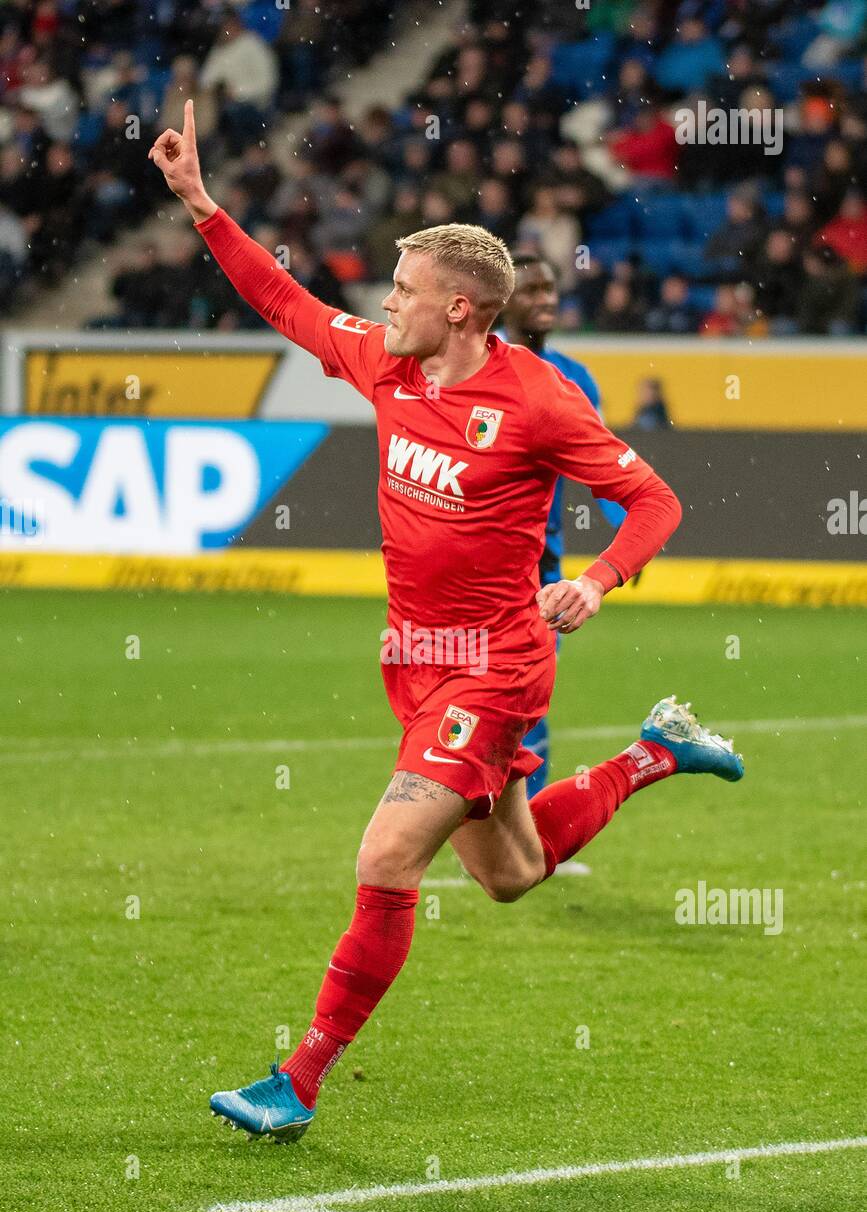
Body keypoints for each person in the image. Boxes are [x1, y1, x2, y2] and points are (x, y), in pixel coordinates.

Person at [149, 103, 744, 1143]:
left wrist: (599, 580)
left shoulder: (542, 401)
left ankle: (299, 1078)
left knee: (385, 858)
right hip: (414, 661)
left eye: (405, 291)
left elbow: (656, 501)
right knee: (509, 875)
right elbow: (284, 302)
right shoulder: (389, 361)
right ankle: (655, 754)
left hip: (494, 669)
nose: (386, 304)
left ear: (461, 308)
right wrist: (203, 206)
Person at [499, 253, 625, 799]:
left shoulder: (574, 379)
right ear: (502, 302)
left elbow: (607, 466)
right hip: (481, 568)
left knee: (530, 703)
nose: (545, 298)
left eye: (550, 288)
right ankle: (475, 825)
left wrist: (626, 536)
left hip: (542, 569)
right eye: (531, 290)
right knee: (474, 706)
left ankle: (525, 828)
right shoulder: (474, 368)